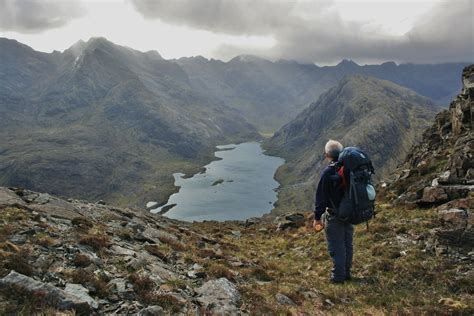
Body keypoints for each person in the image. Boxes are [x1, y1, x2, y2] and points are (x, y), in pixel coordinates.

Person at [313, 139, 354, 284]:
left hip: (334, 215)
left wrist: (317, 218)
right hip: (349, 213)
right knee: (347, 243)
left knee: (337, 246)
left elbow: (321, 198)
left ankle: (338, 277)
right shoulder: (350, 168)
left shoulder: (328, 172)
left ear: (327, 155)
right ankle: (346, 273)